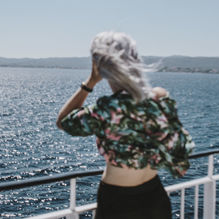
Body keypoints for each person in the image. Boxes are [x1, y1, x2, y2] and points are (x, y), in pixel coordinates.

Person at [56, 31, 194, 219]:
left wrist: (90, 82)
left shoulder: (107, 109)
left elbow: (63, 122)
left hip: (117, 201)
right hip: (154, 196)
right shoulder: (159, 98)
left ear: (101, 67)